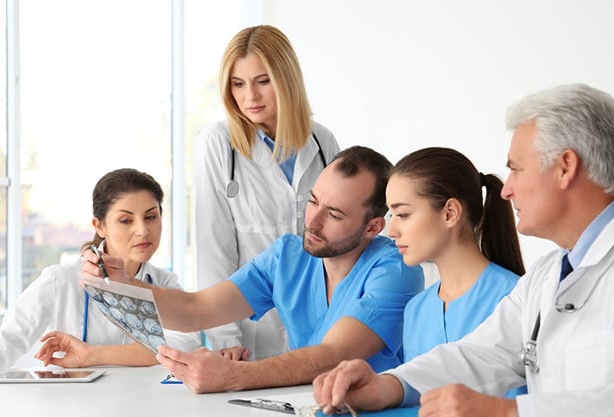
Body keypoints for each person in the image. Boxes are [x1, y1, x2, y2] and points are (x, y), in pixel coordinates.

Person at [312, 83, 614, 417]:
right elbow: (485, 353)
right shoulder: (547, 275)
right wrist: (390, 385)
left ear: (565, 167)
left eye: (517, 170)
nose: (506, 191)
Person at [83, 146, 424, 393]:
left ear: (373, 227)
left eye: (334, 215)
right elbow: (196, 309)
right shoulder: (289, 257)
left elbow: (333, 355)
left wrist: (232, 375)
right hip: (306, 408)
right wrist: (122, 282)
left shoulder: (396, 268)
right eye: (313, 201)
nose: (312, 222)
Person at [0, 168, 202, 373]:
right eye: (126, 220)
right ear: (99, 225)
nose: (143, 230)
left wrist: (92, 355)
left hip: (148, 413)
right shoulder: (60, 281)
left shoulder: (165, 284)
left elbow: (183, 348)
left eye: (151, 217)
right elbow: (8, 341)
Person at [193, 25, 340, 361]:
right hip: (249, 333)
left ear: (287, 80)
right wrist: (224, 336)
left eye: (263, 81)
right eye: (238, 84)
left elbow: (342, 238)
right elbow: (213, 248)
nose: (250, 97)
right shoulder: (217, 144)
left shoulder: (322, 142)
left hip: (320, 324)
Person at [386, 148, 525, 376]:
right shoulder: (415, 310)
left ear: (450, 213)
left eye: (402, 214)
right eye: (391, 216)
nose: (391, 231)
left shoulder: (516, 299)